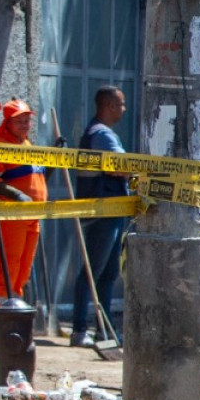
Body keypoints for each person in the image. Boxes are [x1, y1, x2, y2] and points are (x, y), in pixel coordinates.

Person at [69, 86, 130, 349]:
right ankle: (80, 329)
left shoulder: (101, 133)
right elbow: (123, 167)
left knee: (107, 273)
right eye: (121, 104)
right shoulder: (101, 135)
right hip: (101, 213)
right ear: (109, 106)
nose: (124, 109)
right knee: (93, 272)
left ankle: (104, 330)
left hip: (111, 212)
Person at [0, 100, 47, 303]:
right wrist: (17, 196)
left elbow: (34, 178)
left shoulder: (27, 145)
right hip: (11, 217)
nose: (24, 125)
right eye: (19, 121)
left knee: (23, 271)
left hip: (32, 217)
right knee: (7, 267)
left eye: (27, 120)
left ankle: (13, 315)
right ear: (7, 123)